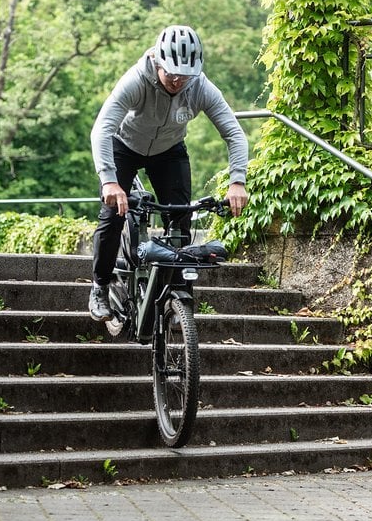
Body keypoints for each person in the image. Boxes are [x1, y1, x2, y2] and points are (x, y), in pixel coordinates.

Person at [87, 25, 250, 320]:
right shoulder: (136, 80)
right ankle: (99, 286)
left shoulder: (200, 86)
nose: (177, 80)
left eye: (184, 74)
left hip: (169, 150)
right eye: (171, 72)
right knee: (113, 216)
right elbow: (101, 129)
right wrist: (109, 181)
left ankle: (176, 294)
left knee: (180, 218)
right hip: (125, 145)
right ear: (158, 62)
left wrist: (237, 180)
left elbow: (235, 134)